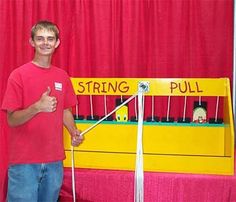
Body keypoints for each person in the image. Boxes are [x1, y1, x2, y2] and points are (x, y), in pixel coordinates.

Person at [1, 20, 83, 202]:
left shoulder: (62, 76)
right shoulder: (18, 75)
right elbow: (12, 120)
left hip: (54, 162)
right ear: (32, 42)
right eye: (40, 38)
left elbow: (65, 110)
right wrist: (37, 107)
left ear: (57, 43)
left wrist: (73, 131)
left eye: (50, 39)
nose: (45, 43)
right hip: (24, 163)